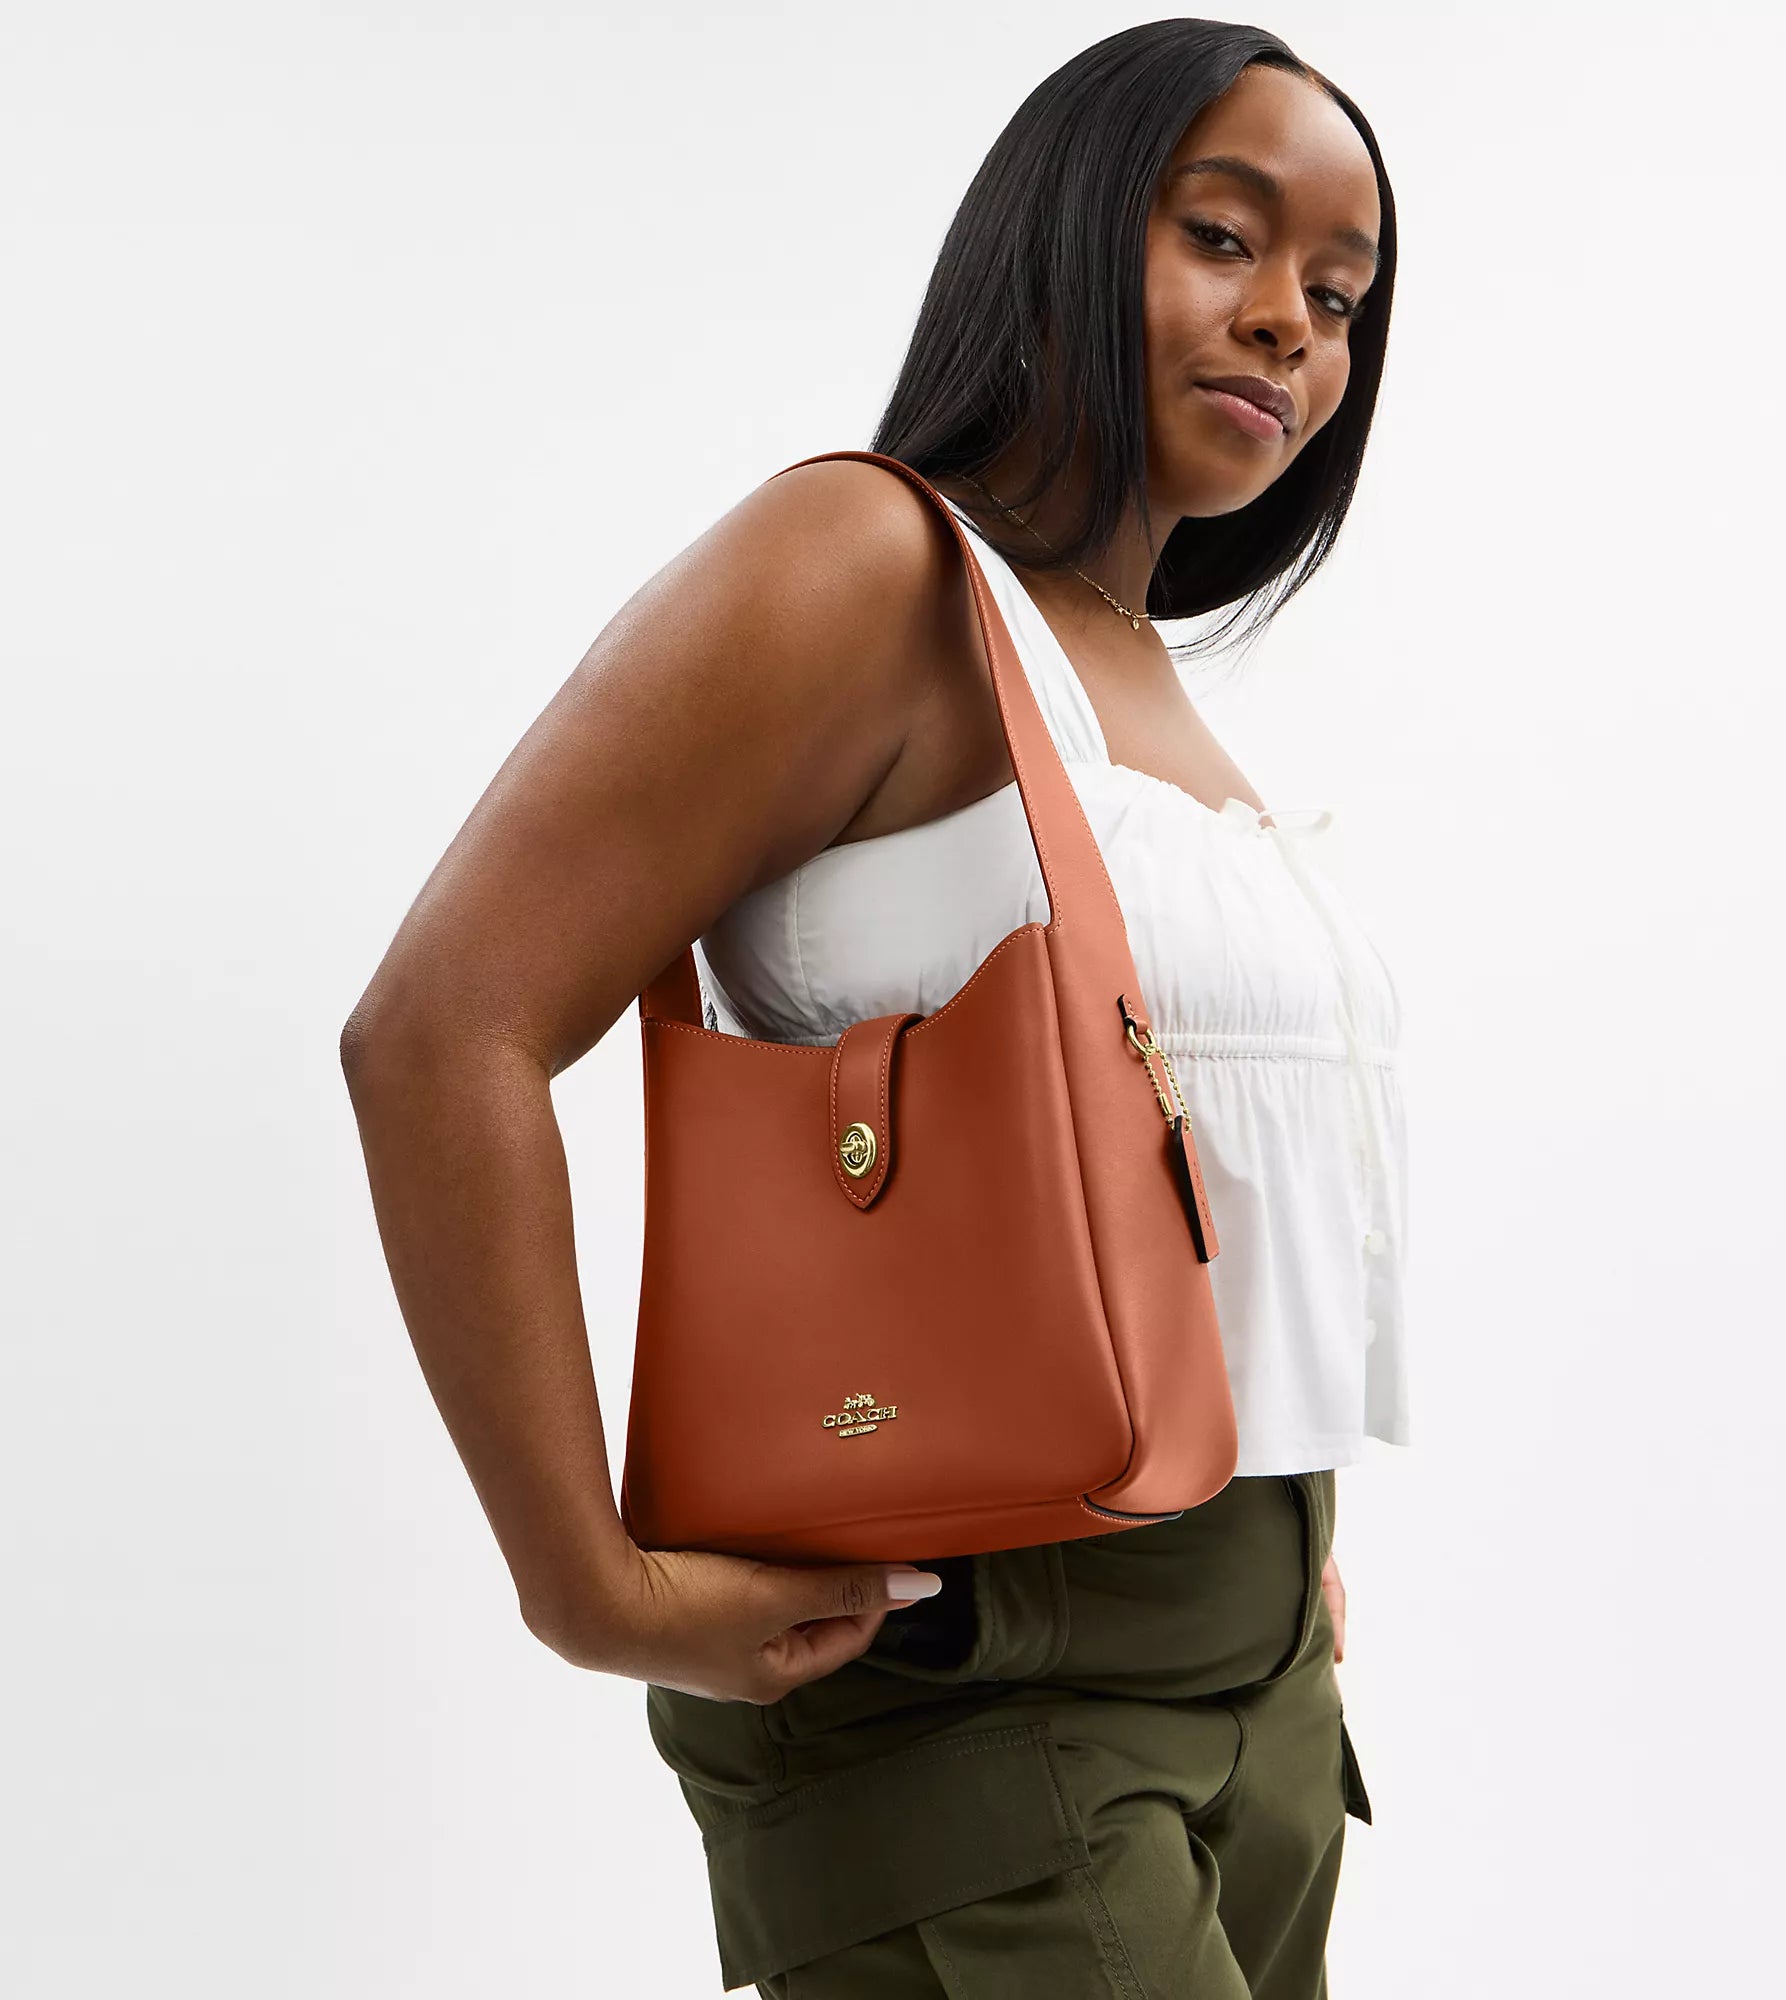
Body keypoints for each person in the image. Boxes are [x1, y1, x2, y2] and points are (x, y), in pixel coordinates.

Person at [340, 18, 1405, 1997]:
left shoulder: (1135, 676)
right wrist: (584, 1582)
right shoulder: (865, 563)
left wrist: (1271, 1555)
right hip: (974, 1679)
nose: (1289, 324)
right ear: (1067, 226)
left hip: (1254, 1677)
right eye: (1223, 236)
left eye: (1339, 297)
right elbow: (439, 1031)